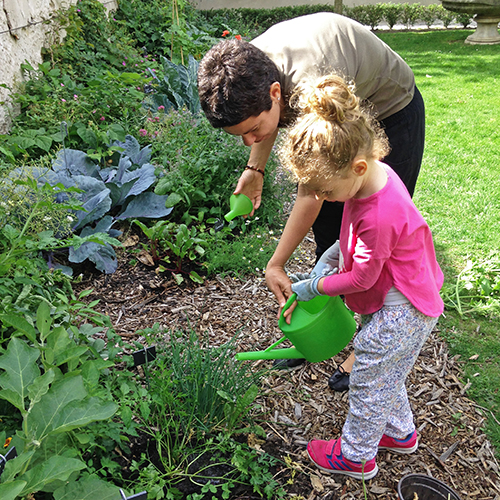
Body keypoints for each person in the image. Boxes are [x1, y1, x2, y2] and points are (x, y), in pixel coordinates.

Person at [197, 12, 425, 385]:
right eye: (240, 136)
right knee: (331, 232)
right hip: (333, 109)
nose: (249, 142)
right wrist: (255, 171)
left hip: (391, 111)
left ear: (276, 93)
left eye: (252, 131)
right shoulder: (246, 69)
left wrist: (276, 263)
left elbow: (312, 190)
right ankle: (327, 324)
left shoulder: (310, 88)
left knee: (374, 238)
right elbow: (267, 117)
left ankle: (368, 347)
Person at [280, 74, 443, 479]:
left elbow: (364, 279)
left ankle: (355, 456)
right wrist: (332, 256)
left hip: (401, 311)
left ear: (356, 166)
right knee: (390, 371)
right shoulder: (371, 180)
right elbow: (353, 234)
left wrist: (314, 284)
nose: (320, 199)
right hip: (400, 300)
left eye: (325, 192)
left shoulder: (380, 209)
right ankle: (400, 431)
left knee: (370, 379)